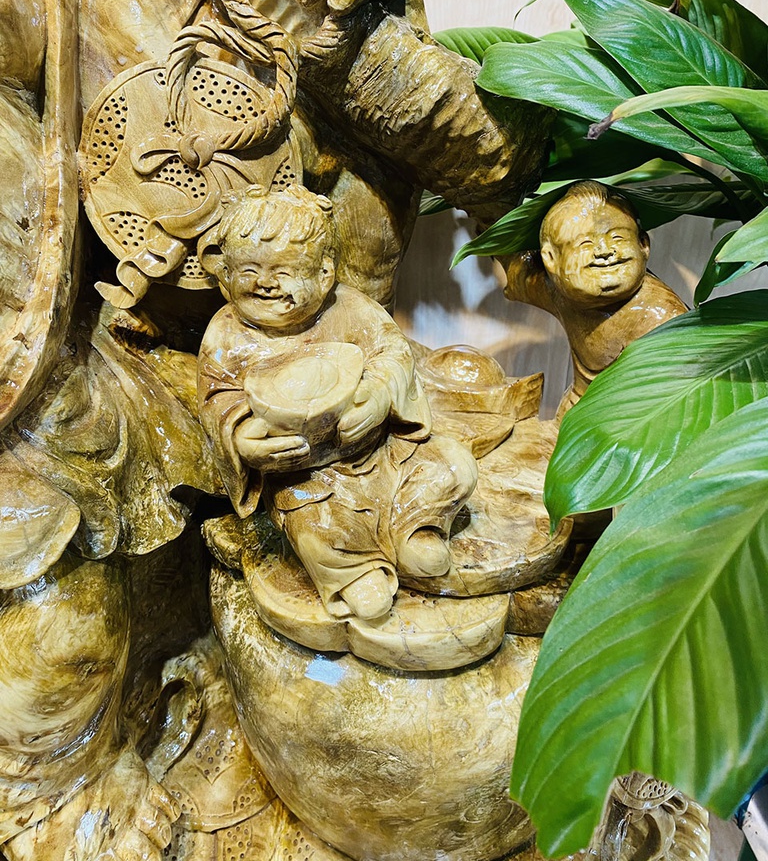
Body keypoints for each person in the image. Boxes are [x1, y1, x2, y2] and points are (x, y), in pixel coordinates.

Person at [198, 183, 477, 621]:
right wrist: (243, 441)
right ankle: (354, 572)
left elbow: (394, 353)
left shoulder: (349, 309)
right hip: (306, 474)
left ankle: (416, 527)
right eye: (249, 269)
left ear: (324, 273)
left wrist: (379, 396)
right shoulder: (227, 335)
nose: (265, 283)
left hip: (383, 452)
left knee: (455, 466)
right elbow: (218, 399)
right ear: (225, 273)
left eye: (284, 271)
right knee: (312, 528)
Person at [504, 181, 687, 416]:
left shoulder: (660, 319)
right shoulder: (562, 293)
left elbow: (670, 410)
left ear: (643, 245)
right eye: (586, 243)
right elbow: (517, 267)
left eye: (617, 238)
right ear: (550, 258)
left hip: (631, 426)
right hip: (576, 419)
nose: (604, 251)